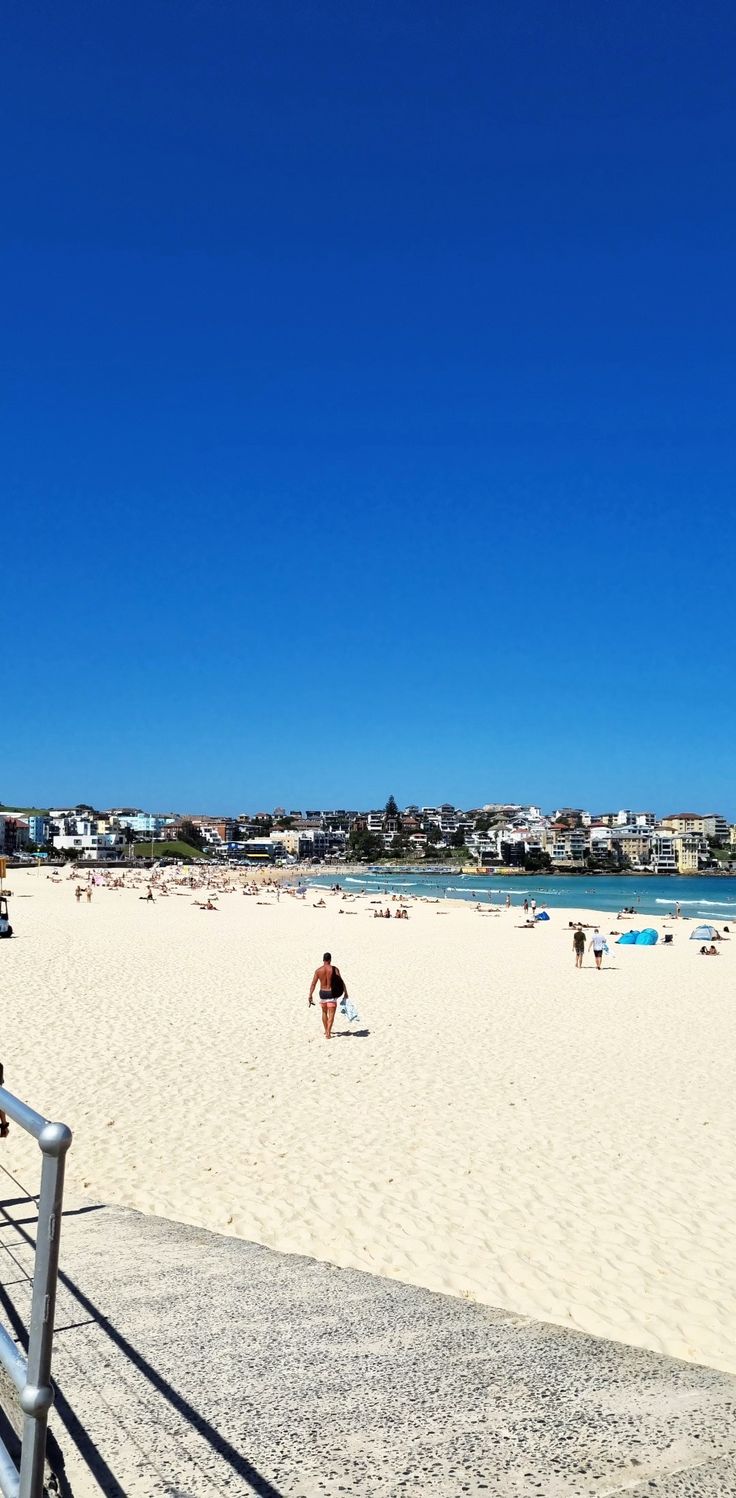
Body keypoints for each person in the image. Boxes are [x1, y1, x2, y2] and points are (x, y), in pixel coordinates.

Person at [309, 951, 348, 1040]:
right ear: (330, 960)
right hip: (331, 993)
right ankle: (328, 1033)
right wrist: (346, 992)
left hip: (322, 993)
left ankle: (326, 1030)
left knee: (324, 1012)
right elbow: (341, 981)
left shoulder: (318, 970)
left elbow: (313, 984)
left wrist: (310, 995)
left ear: (323, 960)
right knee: (331, 1014)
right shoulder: (334, 969)